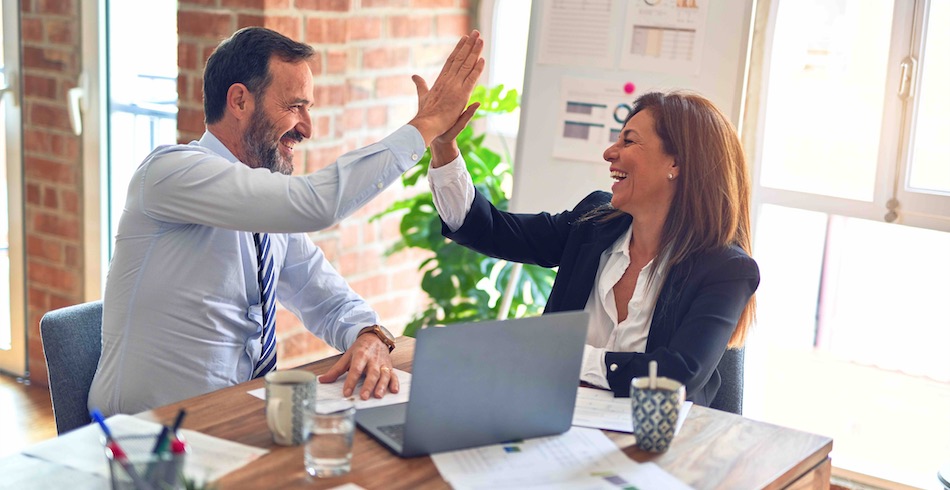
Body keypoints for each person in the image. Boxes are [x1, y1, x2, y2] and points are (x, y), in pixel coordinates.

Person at [89, 26, 485, 416]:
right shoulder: (170, 173)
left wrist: (369, 334)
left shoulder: (265, 209)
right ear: (240, 101)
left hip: (234, 422)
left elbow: (325, 296)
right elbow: (316, 204)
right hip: (145, 441)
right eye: (295, 106)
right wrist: (427, 125)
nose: (307, 128)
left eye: (308, 108)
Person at [427, 91, 759, 406]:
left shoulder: (726, 269)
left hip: (658, 447)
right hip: (555, 421)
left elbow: (676, 376)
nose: (609, 153)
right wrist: (444, 147)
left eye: (628, 141)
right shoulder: (594, 223)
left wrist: (565, 356)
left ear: (676, 163)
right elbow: (490, 230)